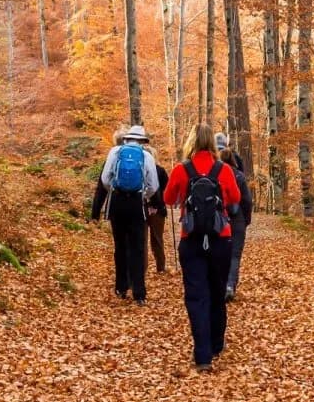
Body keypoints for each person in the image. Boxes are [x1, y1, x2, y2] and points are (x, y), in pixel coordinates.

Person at [163, 123, 242, 370]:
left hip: (191, 238)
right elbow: (236, 199)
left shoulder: (181, 169)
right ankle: (217, 343)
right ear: (212, 143)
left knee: (196, 296)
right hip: (221, 238)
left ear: (191, 142)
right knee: (217, 292)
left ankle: (203, 355)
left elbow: (168, 199)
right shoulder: (224, 170)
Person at [90, 125, 160, 302]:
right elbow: (153, 185)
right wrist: (143, 195)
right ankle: (139, 293)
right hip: (136, 204)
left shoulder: (114, 152)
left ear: (127, 138)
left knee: (120, 246)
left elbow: (105, 180)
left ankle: (121, 287)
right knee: (137, 247)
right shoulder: (146, 156)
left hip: (117, 204)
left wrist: (115, 190)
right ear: (142, 140)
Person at [220, 143, 253, 302]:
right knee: (234, 255)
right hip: (237, 219)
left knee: (220, 252)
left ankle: (220, 284)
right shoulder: (239, 176)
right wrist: (246, 219)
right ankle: (230, 285)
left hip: (220, 219)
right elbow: (246, 200)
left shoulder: (216, 174)